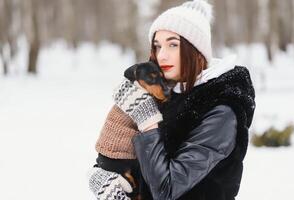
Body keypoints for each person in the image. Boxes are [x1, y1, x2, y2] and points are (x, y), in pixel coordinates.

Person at [87, 0, 255, 199]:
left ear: (196, 50)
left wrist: (147, 122)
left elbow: (167, 190)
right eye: (157, 46)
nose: (162, 55)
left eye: (173, 45)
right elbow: (136, 158)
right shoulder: (167, 91)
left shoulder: (221, 111)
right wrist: (105, 177)